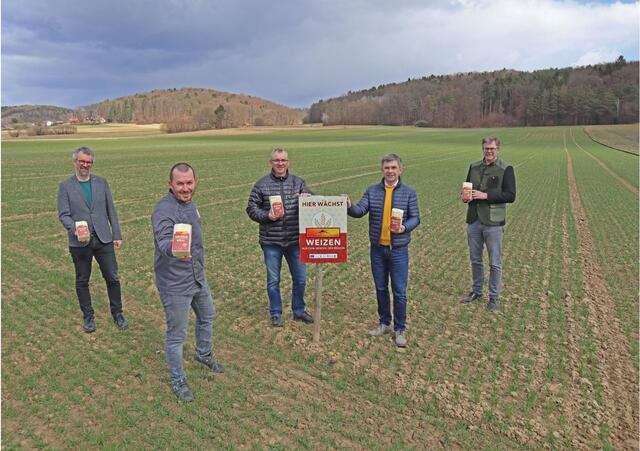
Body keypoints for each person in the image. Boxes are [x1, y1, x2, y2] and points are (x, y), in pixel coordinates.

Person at [152, 163, 224, 402]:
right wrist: (173, 249)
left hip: (196, 275)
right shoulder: (163, 210)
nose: (185, 188)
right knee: (176, 335)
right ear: (170, 184)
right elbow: (163, 240)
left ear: (196, 182)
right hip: (174, 283)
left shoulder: (191, 204)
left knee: (207, 315)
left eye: (189, 183)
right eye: (180, 184)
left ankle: (203, 354)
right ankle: (178, 379)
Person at [346, 154, 420, 347]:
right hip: (378, 249)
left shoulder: (409, 193)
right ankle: (384, 323)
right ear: (382, 171)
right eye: (387, 168)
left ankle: (400, 328)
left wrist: (404, 227)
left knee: (399, 291)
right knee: (380, 288)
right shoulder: (372, 191)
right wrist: (349, 206)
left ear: (400, 170)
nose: (390, 171)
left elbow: (416, 218)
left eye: (393, 168)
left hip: (398, 250)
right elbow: (360, 211)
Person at [57, 146, 128, 333]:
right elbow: (64, 215)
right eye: (82, 161)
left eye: (88, 162)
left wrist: (117, 235)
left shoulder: (102, 183)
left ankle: (117, 313)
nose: (85, 165)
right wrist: (77, 229)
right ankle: (88, 316)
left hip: (103, 239)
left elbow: (111, 210)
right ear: (75, 162)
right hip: (80, 243)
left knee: (112, 277)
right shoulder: (65, 187)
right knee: (82, 280)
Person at [246, 148, 314, 327]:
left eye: (283, 160)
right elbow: (251, 209)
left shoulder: (298, 183)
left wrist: (308, 198)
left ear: (288, 162)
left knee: (300, 279)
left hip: (295, 240)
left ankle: (298, 311)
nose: (280, 163)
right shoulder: (261, 185)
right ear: (271, 163)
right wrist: (267, 215)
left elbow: (313, 200)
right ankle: (276, 313)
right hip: (271, 241)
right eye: (277, 160)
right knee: (273, 280)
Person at [460, 137, 516, 312]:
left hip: (493, 222)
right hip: (474, 219)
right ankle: (477, 291)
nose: (489, 151)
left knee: (494, 262)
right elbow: (467, 188)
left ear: (498, 149)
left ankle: (494, 297)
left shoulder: (505, 169)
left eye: (492, 148)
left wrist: (486, 196)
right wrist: (465, 197)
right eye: (486, 148)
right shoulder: (474, 166)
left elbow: (510, 195)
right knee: (475, 259)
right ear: (482, 149)